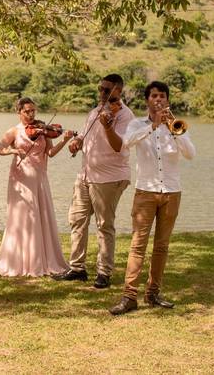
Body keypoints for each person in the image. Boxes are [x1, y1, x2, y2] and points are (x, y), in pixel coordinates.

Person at [109, 81, 195, 315]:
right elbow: (126, 143)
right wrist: (154, 126)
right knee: (138, 245)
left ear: (168, 100)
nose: (158, 99)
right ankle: (129, 296)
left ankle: (153, 293)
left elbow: (191, 154)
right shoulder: (137, 125)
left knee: (162, 246)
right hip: (145, 192)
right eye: (154, 96)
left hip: (171, 192)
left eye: (162, 96)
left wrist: (172, 129)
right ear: (147, 100)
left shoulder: (177, 125)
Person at [56, 74, 134, 289]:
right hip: (85, 175)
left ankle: (104, 272)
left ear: (118, 91)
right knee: (77, 219)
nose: (102, 93)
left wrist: (108, 125)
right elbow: (86, 135)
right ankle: (77, 268)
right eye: (101, 88)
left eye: (107, 90)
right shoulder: (94, 111)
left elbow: (118, 146)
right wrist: (78, 141)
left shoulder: (126, 116)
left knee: (104, 225)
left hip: (109, 178)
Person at [0, 97, 73, 276]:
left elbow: (50, 153)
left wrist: (65, 140)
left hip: (39, 178)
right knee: (23, 216)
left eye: (33, 111)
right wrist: (13, 150)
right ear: (19, 112)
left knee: (41, 215)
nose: (31, 114)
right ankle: (19, 260)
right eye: (27, 111)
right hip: (20, 177)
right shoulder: (13, 131)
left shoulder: (43, 130)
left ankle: (41, 259)